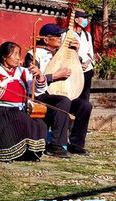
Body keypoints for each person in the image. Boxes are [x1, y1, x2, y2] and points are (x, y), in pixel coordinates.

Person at [0, 42, 48, 162]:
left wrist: (40, 76)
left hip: (20, 110)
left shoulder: (24, 72)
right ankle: (9, 152)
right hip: (0, 111)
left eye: (19, 54)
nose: (18, 58)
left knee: (39, 124)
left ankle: (29, 152)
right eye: (14, 54)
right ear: (4, 56)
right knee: (19, 119)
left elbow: (38, 90)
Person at [24, 23, 80, 158]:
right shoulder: (33, 54)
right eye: (56, 36)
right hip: (41, 94)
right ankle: (56, 145)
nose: (60, 38)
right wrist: (54, 76)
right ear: (46, 39)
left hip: (61, 91)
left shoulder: (62, 53)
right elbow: (31, 78)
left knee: (84, 105)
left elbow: (77, 70)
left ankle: (77, 144)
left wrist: (76, 52)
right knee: (63, 101)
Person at [69, 10, 94, 154]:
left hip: (87, 70)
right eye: (83, 18)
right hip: (73, 71)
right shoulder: (68, 34)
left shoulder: (87, 35)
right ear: (76, 19)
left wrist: (89, 62)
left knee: (85, 102)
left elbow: (90, 51)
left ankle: (79, 137)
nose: (86, 21)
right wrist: (78, 61)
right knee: (73, 101)